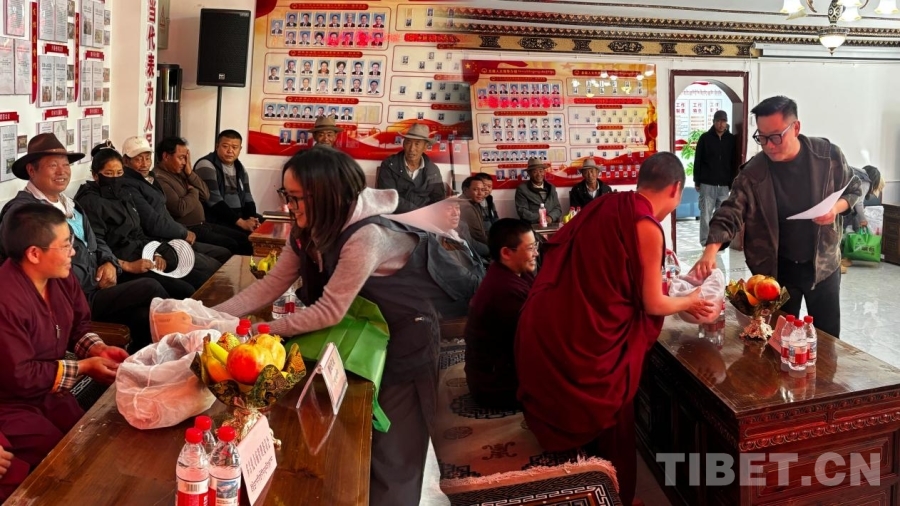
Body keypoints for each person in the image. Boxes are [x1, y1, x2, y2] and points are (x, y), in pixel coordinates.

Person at [214, 146, 475, 506]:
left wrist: (261, 332)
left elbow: (329, 311)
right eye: (286, 195)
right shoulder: (307, 227)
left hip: (406, 339)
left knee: (394, 448)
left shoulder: (366, 235)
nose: (289, 206)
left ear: (327, 195)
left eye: (296, 198)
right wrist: (212, 315)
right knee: (354, 433)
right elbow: (272, 284)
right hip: (362, 333)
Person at [516, 152, 716, 506]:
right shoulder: (646, 225)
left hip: (550, 323)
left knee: (585, 420)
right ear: (676, 189)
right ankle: (612, 495)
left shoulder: (606, 204)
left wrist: (670, 288)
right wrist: (691, 300)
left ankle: (581, 481)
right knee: (612, 421)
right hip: (589, 342)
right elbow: (652, 303)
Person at [692, 96, 860, 338]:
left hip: (823, 264)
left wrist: (835, 208)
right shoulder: (754, 172)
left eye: (775, 137)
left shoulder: (827, 156)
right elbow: (730, 211)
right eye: (762, 137)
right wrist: (710, 251)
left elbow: (853, 189)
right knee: (776, 339)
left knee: (827, 340)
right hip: (776, 270)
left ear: (796, 128)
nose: (769, 145)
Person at [0, 204, 129, 502]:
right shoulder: (6, 299)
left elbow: (78, 326)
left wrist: (97, 348)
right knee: (59, 454)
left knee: (88, 437)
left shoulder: (61, 276)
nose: (73, 252)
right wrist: (84, 367)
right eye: (66, 245)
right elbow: (20, 375)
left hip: (50, 390)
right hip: (10, 402)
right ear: (34, 253)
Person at [0, 134, 167, 350]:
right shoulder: (24, 214)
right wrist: (95, 279)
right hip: (71, 299)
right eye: (53, 165)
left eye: (65, 165)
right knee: (151, 287)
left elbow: (95, 240)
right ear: (31, 170)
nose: (62, 171)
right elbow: (39, 270)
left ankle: (148, 364)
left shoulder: (69, 204)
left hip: (95, 288)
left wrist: (108, 262)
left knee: (145, 317)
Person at [74, 143, 201, 298]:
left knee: (197, 277)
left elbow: (138, 231)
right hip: (122, 265)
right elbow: (97, 245)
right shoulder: (91, 202)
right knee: (184, 290)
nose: (115, 178)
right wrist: (128, 265)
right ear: (95, 175)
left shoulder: (124, 194)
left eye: (119, 172)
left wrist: (155, 252)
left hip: (143, 254)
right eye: (108, 173)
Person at [120, 136, 232, 266]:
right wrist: (183, 232)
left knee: (224, 253)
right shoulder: (131, 185)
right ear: (126, 161)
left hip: (177, 233)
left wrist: (190, 173)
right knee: (213, 264)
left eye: (147, 158)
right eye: (138, 159)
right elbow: (156, 220)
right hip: (163, 240)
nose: (144, 164)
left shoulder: (151, 177)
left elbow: (205, 195)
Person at [465, 219, 537, 409]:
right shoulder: (504, 290)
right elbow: (536, 341)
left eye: (535, 246)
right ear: (506, 253)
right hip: (496, 386)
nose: (536, 253)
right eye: (530, 248)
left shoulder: (518, 272)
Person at [153, 137, 253, 256]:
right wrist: (193, 191)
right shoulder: (159, 178)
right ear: (166, 156)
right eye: (181, 158)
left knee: (244, 238)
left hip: (203, 224)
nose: (184, 162)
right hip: (189, 229)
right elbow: (180, 209)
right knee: (231, 244)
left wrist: (190, 173)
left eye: (186, 158)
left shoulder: (181, 172)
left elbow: (205, 194)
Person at [194, 130, 263, 235]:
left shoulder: (240, 168)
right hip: (216, 218)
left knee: (266, 225)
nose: (230, 151)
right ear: (217, 146)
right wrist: (242, 223)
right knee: (243, 238)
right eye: (225, 146)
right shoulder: (206, 165)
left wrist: (252, 219)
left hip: (237, 216)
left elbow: (248, 197)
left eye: (235, 147)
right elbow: (214, 202)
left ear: (240, 149)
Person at [376, 123, 445, 213]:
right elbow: (388, 197)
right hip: (395, 215)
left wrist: (427, 215)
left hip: (424, 217)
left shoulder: (433, 171)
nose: (412, 149)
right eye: (408, 142)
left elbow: (439, 200)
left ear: (425, 147)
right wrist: (416, 212)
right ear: (403, 144)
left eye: (417, 144)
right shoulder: (389, 165)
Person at [694, 110, 738, 246]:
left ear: (726, 123)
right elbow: (698, 160)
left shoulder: (731, 140)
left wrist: (732, 182)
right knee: (705, 214)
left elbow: (734, 162)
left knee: (722, 215)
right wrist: (697, 180)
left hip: (724, 185)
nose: (721, 124)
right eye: (718, 121)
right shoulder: (705, 138)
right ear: (713, 122)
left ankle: (718, 241)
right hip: (707, 183)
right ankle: (705, 241)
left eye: (723, 121)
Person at [842, 165, 884, 273]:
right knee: (840, 232)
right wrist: (863, 219)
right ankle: (840, 261)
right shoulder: (866, 181)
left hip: (839, 202)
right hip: (843, 206)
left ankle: (843, 259)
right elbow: (858, 202)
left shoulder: (858, 174)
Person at [515, 157, 562, 225]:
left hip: (551, 224)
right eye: (535, 172)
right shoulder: (522, 189)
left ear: (544, 172)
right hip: (532, 226)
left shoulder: (551, 187)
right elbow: (522, 211)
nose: (539, 174)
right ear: (529, 173)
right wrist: (540, 218)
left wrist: (550, 217)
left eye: (541, 171)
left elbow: (558, 208)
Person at [459, 176, 495, 250]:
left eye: (482, 190)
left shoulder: (474, 202)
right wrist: (495, 246)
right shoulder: (466, 207)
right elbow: (478, 235)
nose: (480, 193)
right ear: (465, 190)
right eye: (475, 189)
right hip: (468, 246)